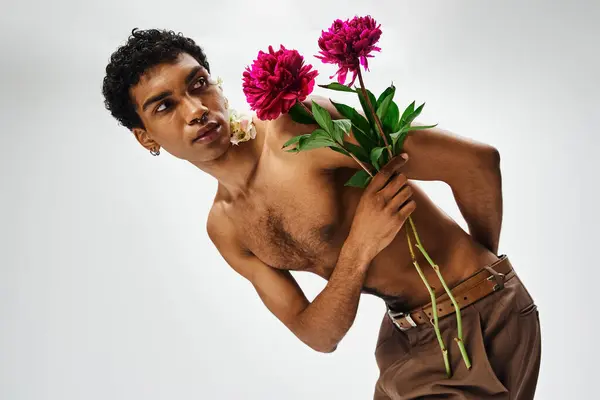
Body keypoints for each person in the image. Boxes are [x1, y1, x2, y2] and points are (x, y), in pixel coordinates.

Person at [102, 28, 541, 399]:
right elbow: (318, 335)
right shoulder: (226, 228)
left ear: (216, 84)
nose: (195, 110)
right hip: (403, 339)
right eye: (165, 105)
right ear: (147, 138)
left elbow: (476, 164)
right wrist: (360, 247)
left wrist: (485, 276)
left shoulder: (299, 129)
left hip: (476, 320)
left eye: (198, 84)